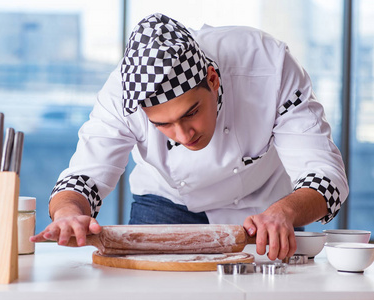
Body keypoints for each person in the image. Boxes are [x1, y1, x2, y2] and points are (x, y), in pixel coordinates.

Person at [31, 13, 348, 260]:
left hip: (266, 212)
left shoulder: (269, 66)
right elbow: (83, 177)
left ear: (212, 80)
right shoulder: (121, 98)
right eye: (162, 125)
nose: (183, 135)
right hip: (167, 203)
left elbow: (324, 175)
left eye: (190, 113)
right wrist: (68, 215)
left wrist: (284, 212)